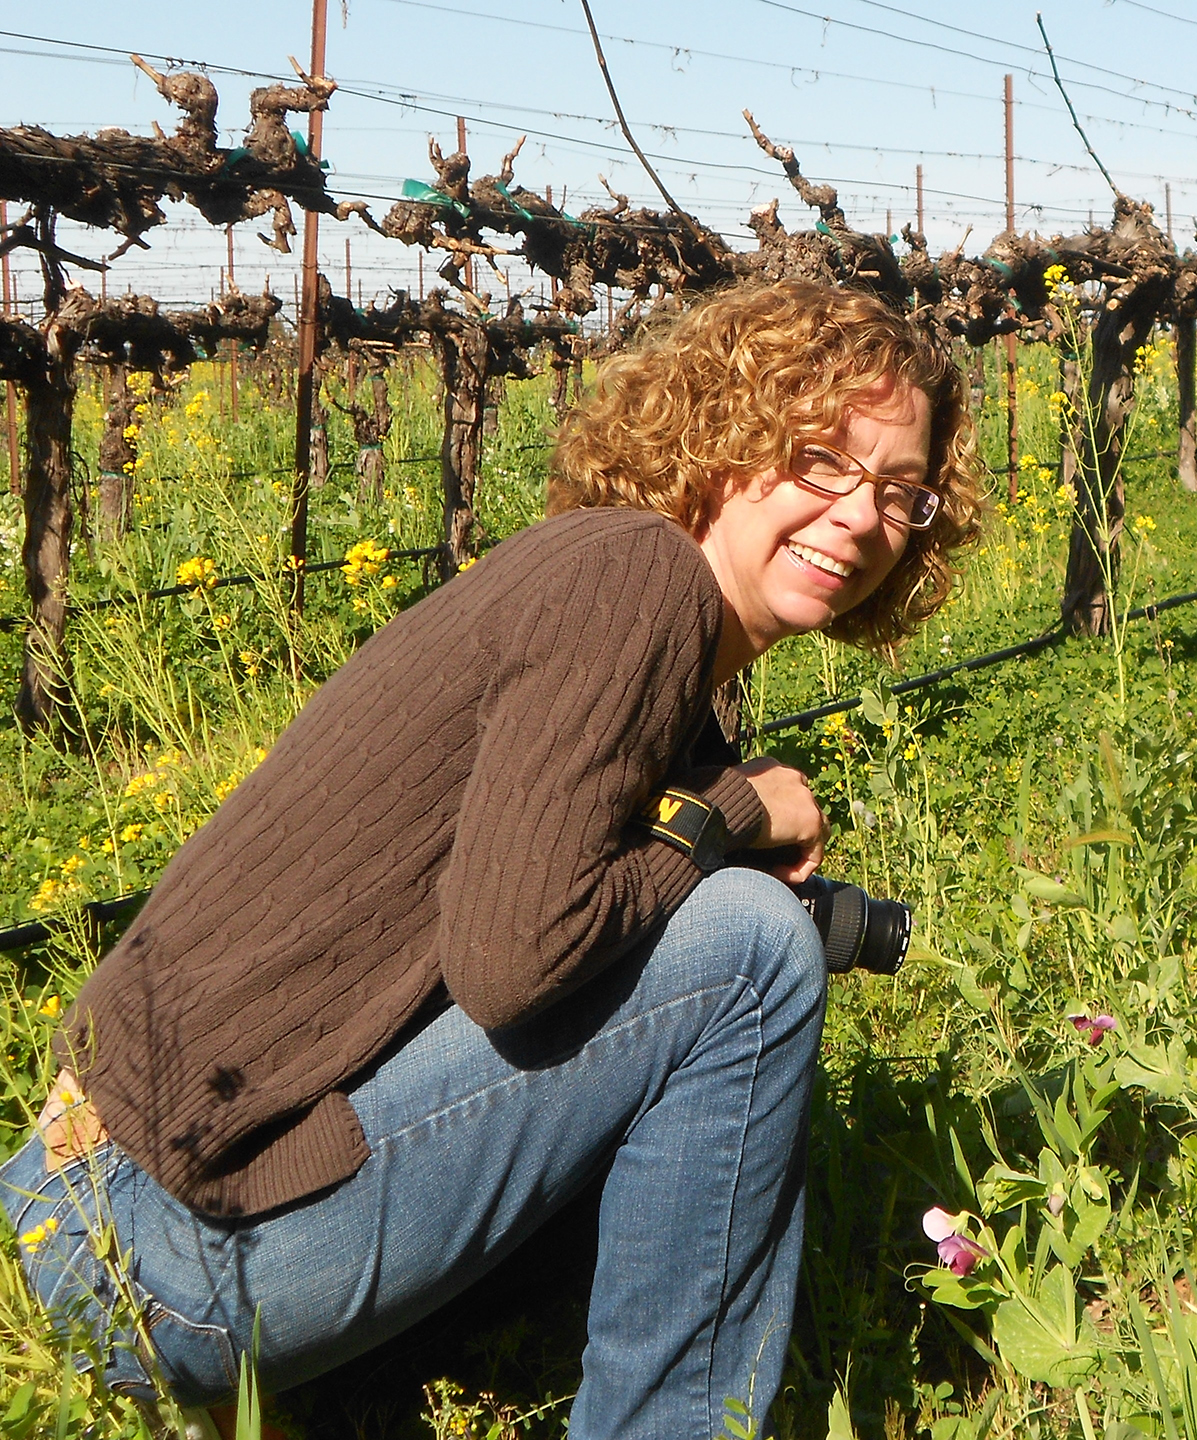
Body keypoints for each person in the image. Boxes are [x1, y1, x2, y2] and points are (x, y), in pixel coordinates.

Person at [1, 279, 980, 1439]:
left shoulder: (635, 614)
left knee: (701, 939)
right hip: (145, 1249)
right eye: (820, 459)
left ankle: (383, 1387)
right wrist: (729, 810)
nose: (859, 517)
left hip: (87, 1219)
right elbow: (515, 960)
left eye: (899, 493)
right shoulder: (636, 577)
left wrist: (702, 819)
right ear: (724, 438)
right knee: (751, 949)